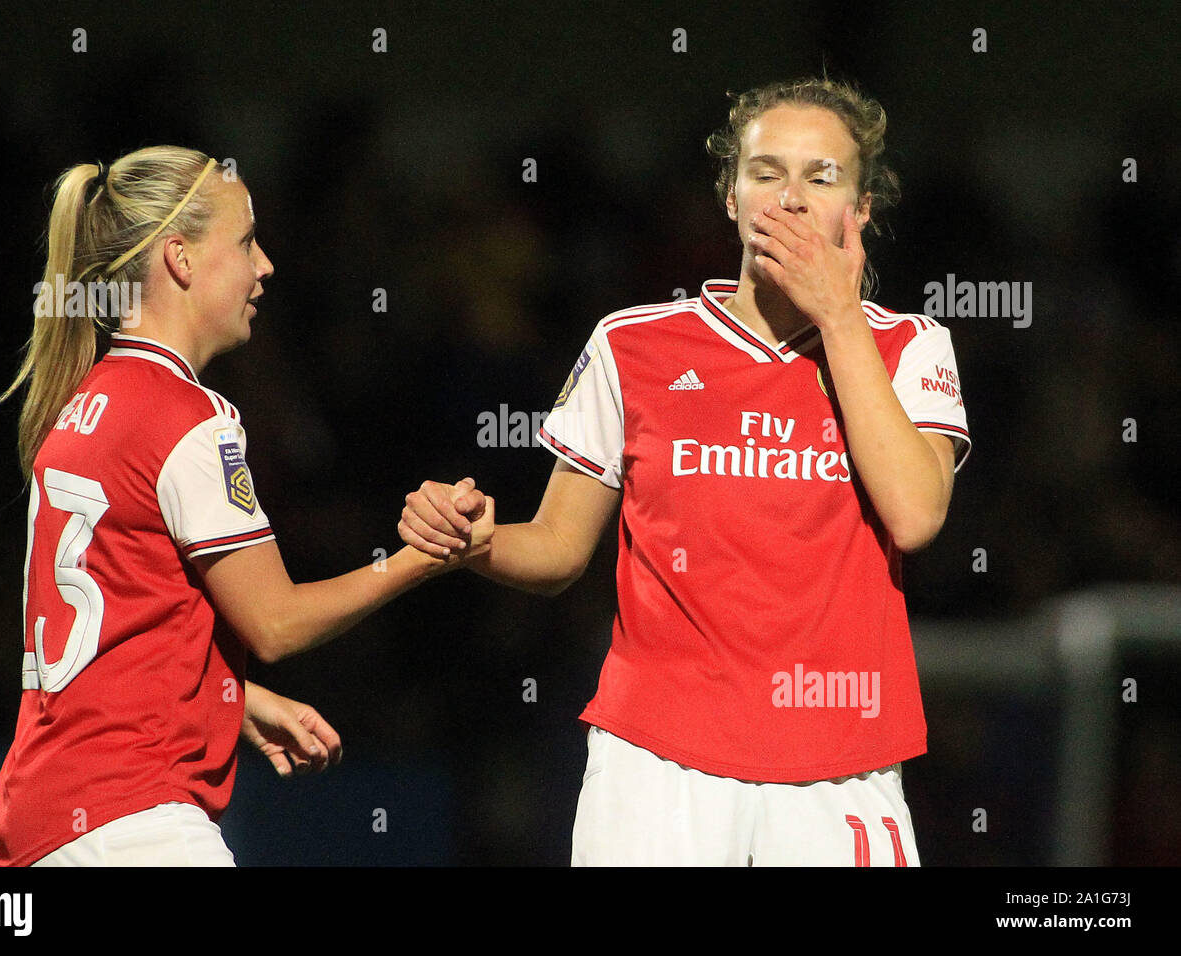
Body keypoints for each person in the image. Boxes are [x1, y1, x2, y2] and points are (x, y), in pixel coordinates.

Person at [398, 77, 971, 866]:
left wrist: (839, 315)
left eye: (822, 177)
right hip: (655, 765)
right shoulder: (632, 347)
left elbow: (915, 514)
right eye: (766, 173)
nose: (792, 199)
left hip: (842, 759)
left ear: (862, 208)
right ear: (730, 197)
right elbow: (562, 547)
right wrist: (480, 542)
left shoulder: (912, 346)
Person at [0, 146, 453, 866]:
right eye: (244, 241)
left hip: (41, 821)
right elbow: (276, 622)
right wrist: (427, 557)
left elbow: (119, 618)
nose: (264, 265)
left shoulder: (80, 406)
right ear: (178, 257)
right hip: (136, 822)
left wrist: (235, 702)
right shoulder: (189, 418)